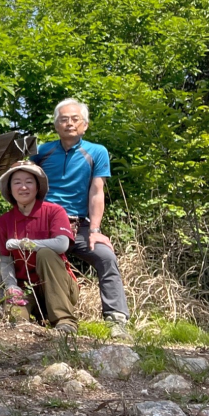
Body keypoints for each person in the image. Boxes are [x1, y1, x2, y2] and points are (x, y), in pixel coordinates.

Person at [32, 98, 130, 326]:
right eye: (63, 119)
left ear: (85, 125)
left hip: (79, 225)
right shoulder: (41, 152)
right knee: (37, 260)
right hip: (47, 225)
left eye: (75, 119)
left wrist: (95, 230)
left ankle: (116, 319)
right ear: (56, 125)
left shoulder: (96, 152)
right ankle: (45, 315)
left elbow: (97, 192)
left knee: (106, 257)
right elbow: (26, 186)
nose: (69, 124)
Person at [0, 161, 79, 333]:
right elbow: (5, 259)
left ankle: (64, 320)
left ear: (37, 186)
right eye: (17, 182)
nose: (23, 187)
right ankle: (35, 319)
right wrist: (11, 286)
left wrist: (23, 244)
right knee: (17, 321)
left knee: (46, 253)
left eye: (29, 182)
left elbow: (62, 244)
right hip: (25, 287)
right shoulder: (4, 221)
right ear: (10, 189)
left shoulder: (54, 211)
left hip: (59, 287)